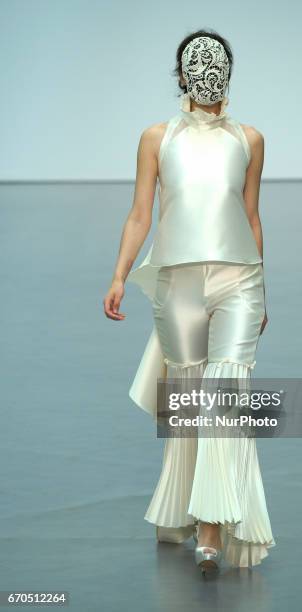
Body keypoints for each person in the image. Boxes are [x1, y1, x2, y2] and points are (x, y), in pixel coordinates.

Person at [103, 30, 276, 575]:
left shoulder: (250, 139)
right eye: (197, 65)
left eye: (215, 63)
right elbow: (140, 213)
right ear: (181, 75)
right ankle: (184, 506)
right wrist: (119, 274)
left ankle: (212, 527)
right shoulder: (158, 138)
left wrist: (263, 285)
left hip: (238, 280)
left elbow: (250, 217)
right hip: (177, 283)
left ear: (229, 71)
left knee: (226, 393)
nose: (206, 74)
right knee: (190, 403)